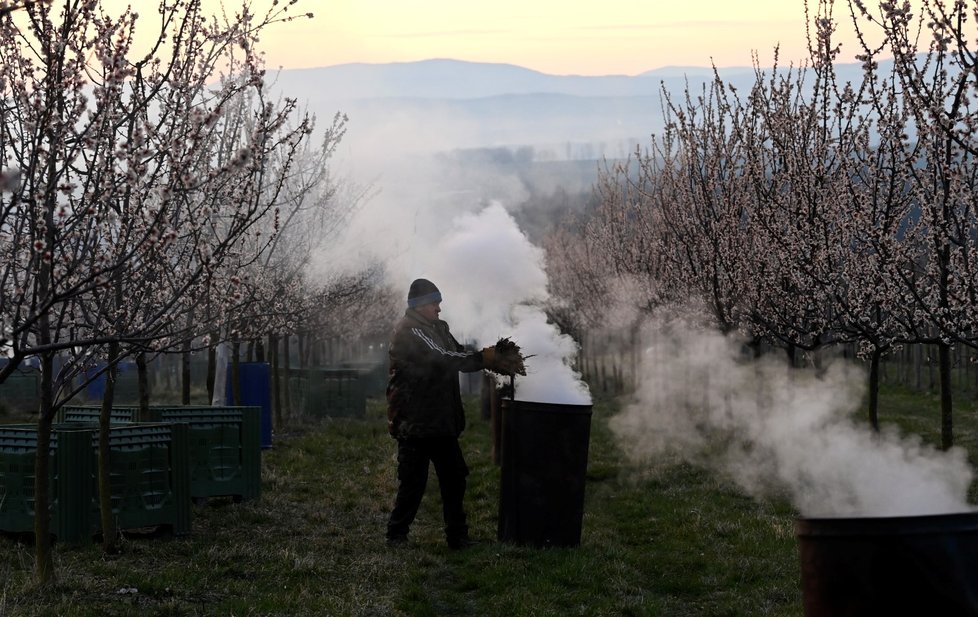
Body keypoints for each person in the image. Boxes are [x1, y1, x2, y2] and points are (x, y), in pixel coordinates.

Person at [385, 278, 503, 549]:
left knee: (454, 477)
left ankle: (457, 537)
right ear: (420, 305)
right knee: (413, 484)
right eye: (434, 302)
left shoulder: (437, 328)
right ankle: (396, 535)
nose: (439, 307)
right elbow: (444, 358)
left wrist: (486, 356)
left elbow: (456, 352)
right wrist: (486, 359)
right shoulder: (411, 332)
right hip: (415, 421)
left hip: (438, 420)